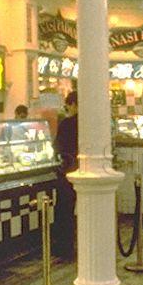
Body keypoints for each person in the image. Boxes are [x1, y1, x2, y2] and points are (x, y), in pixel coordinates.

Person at [53, 92, 78, 261]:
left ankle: (65, 247)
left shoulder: (67, 124)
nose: (67, 109)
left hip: (67, 171)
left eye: (68, 106)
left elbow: (57, 146)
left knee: (64, 211)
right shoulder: (91, 123)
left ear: (74, 104)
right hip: (83, 171)